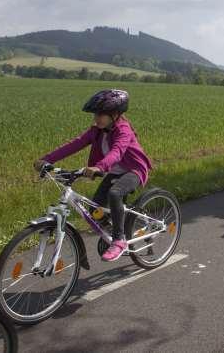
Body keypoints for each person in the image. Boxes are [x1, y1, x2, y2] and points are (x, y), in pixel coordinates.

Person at [34, 89, 152, 262]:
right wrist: (47, 159)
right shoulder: (96, 130)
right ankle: (117, 229)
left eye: (101, 114)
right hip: (114, 172)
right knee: (94, 210)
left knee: (115, 194)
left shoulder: (123, 130)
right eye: (95, 114)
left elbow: (117, 152)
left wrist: (98, 167)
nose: (96, 118)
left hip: (133, 170)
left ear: (115, 114)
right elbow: (74, 144)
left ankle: (119, 240)